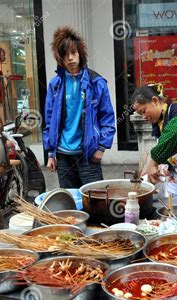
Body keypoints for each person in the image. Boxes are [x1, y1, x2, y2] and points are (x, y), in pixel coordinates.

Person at [43, 26, 116, 188]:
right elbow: (49, 123)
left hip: (88, 155)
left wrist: (101, 148)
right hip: (63, 156)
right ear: (59, 58)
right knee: (70, 201)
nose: (70, 58)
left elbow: (108, 119)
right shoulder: (55, 85)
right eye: (65, 55)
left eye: (73, 53)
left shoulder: (96, 83)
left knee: (94, 200)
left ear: (80, 54)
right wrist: (50, 153)